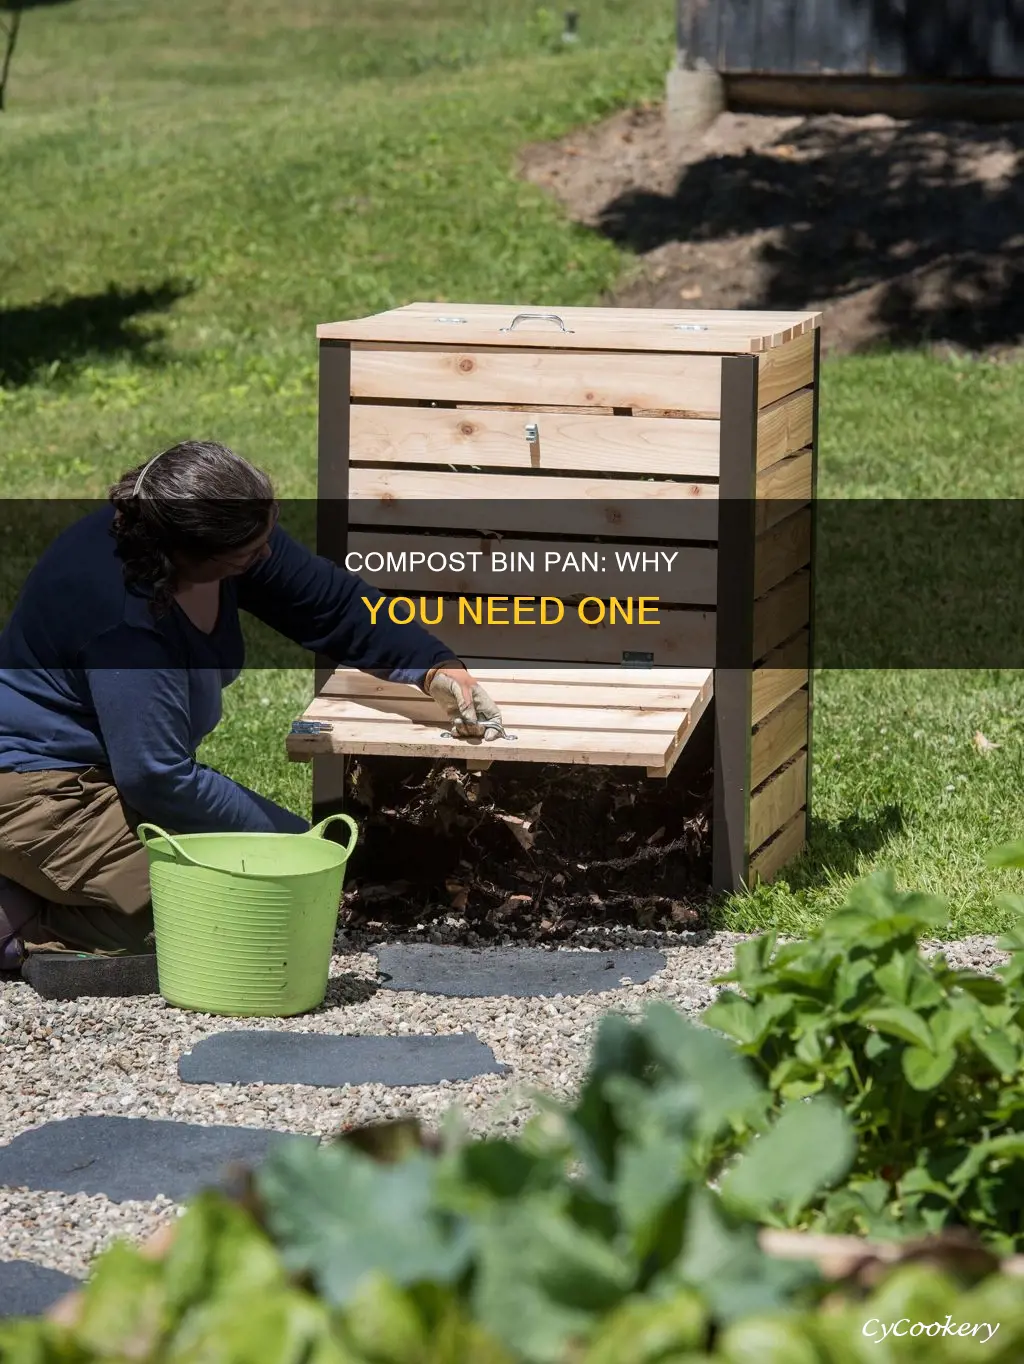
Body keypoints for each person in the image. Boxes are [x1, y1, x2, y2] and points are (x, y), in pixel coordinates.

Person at [0, 440, 502, 964]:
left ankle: (41, 879)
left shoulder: (205, 531)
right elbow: (158, 777)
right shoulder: (127, 622)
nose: (268, 555)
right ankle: (16, 920)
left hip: (104, 773)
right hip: (35, 789)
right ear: (187, 553)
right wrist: (294, 845)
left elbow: (329, 604)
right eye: (249, 554)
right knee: (213, 913)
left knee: (245, 889)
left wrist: (433, 666)